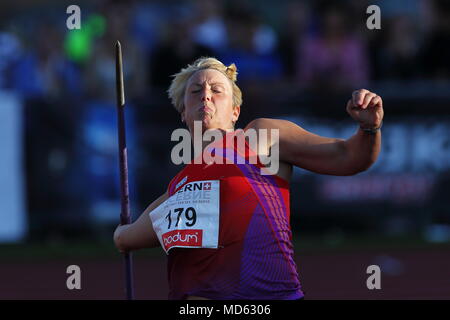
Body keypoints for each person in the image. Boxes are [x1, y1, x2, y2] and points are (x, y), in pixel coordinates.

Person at [113, 57, 384, 300]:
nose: (205, 96)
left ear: (235, 111)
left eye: (216, 91)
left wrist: (369, 127)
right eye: (195, 92)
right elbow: (127, 238)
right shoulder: (179, 186)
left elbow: (351, 158)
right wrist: (120, 233)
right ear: (183, 112)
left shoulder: (259, 138)